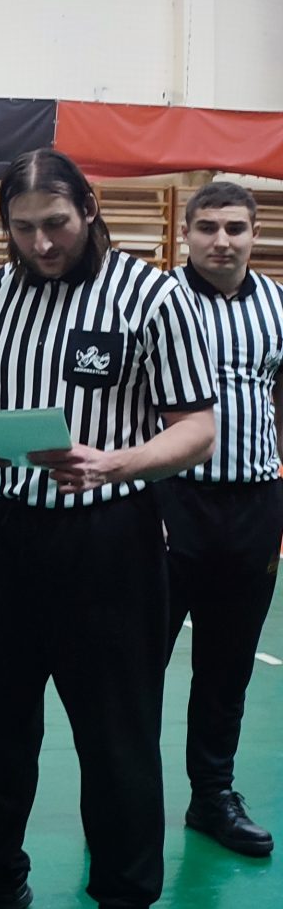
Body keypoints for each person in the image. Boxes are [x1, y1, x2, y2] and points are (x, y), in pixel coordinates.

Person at [0, 149, 215, 909]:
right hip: (5, 533)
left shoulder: (151, 296)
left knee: (116, 729)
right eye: (23, 228)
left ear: (89, 207)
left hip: (110, 536)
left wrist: (117, 462)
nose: (42, 243)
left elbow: (198, 427)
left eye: (56, 224)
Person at [158, 182, 283, 857]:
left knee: (228, 665)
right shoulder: (156, 302)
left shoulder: (278, 305)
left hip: (254, 506)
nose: (222, 240)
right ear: (186, 233)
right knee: (137, 663)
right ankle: (123, 799)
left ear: (255, 234)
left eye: (235, 228)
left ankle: (212, 796)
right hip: (170, 505)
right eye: (207, 227)